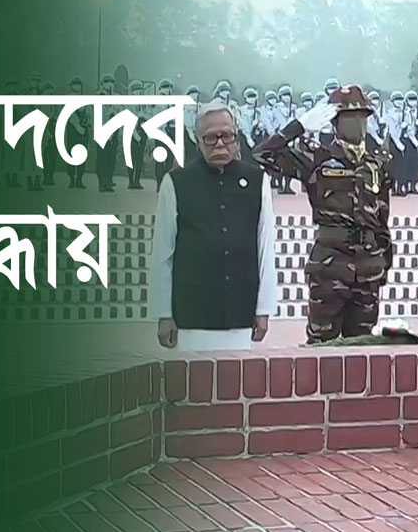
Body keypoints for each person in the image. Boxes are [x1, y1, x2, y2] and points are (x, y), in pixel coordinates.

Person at [255, 85, 393, 344]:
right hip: (330, 266)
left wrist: (384, 262)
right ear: (334, 123)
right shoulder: (317, 157)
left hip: (368, 267)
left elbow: (382, 216)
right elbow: (262, 155)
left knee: (363, 347)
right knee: (322, 348)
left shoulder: (378, 161)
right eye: (348, 117)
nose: (357, 123)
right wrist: (299, 126)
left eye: (361, 117)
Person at [152, 101, 277, 352]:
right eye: (210, 138)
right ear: (198, 140)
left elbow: (265, 248)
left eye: (227, 136)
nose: (220, 144)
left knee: (239, 376)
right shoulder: (176, 182)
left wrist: (263, 309)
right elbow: (162, 252)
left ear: (236, 138)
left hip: (241, 311)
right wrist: (164, 314)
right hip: (192, 313)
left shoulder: (257, 180)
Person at [95, 73, 118, 192]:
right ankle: (102, 182)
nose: (110, 84)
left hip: (114, 131)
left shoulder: (115, 97)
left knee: (111, 158)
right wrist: (110, 111)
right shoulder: (98, 96)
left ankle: (108, 180)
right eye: (107, 82)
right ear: (102, 84)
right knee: (102, 158)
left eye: (112, 82)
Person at [384, 91, 407, 196]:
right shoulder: (390, 114)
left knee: (403, 166)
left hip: (404, 140)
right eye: (397, 100)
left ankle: (401, 186)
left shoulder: (406, 113)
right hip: (394, 142)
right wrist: (398, 144)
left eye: (401, 100)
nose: (399, 102)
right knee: (394, 166)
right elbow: (392, 131)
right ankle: (393, 187)